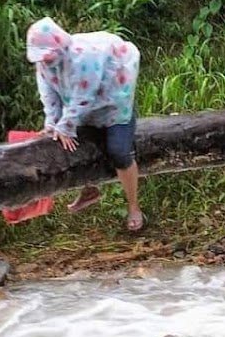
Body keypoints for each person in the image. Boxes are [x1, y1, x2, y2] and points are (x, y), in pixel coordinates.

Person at [26, 17, 144, 233]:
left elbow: (84, 96)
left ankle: (134, 206)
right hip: (79, 102)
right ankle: (90, 190)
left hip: (114, 95)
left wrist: (66, 126)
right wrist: (52, 123)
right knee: (73, 147)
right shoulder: (44, 65)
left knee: (119, 152)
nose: (45, 61)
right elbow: (49, 94)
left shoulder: (84, 58)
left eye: (48, 56)